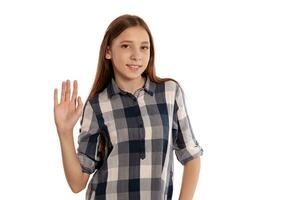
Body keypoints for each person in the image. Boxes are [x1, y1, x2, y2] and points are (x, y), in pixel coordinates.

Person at [53, 14, 204, 200]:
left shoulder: (169, 93)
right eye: (126, 46)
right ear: (108, 51)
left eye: (144, 47)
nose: (136, 55)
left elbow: (191, 156)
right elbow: (77, 183)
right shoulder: (97, 104)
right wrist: (65, 132)